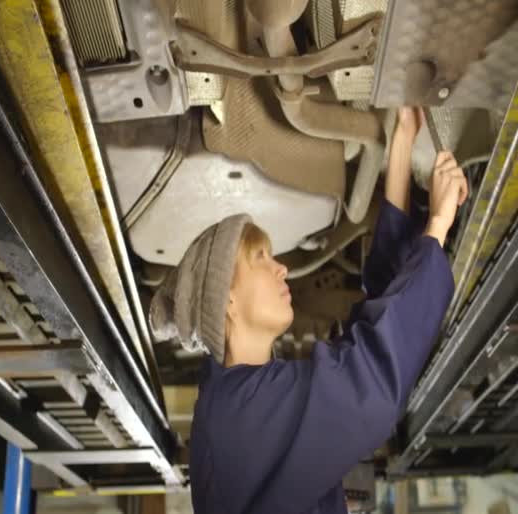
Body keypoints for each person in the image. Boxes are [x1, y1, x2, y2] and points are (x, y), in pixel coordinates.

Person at [149, 107, 469, 514]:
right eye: (261, 257)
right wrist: (437, 223)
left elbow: (370, 338)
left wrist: (401, 145)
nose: (281, 266)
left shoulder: (240, 398)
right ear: (225, 298)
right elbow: (369, 385)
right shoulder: (242, 410)